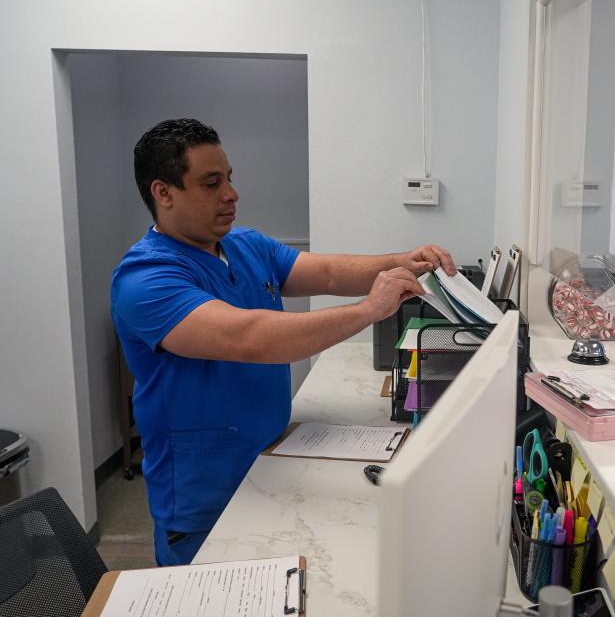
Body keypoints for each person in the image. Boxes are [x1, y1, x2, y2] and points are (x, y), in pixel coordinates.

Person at [111, 118, 456, 566]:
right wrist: (369, 310)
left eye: (229, 178)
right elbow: (247, 338)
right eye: (212, 182)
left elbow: (330, 273)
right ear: (164, 193)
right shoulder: (145, 278)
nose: (231, 193)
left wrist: (403, 261)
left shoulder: (247, 246)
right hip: (206, 496)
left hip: (274, 460)